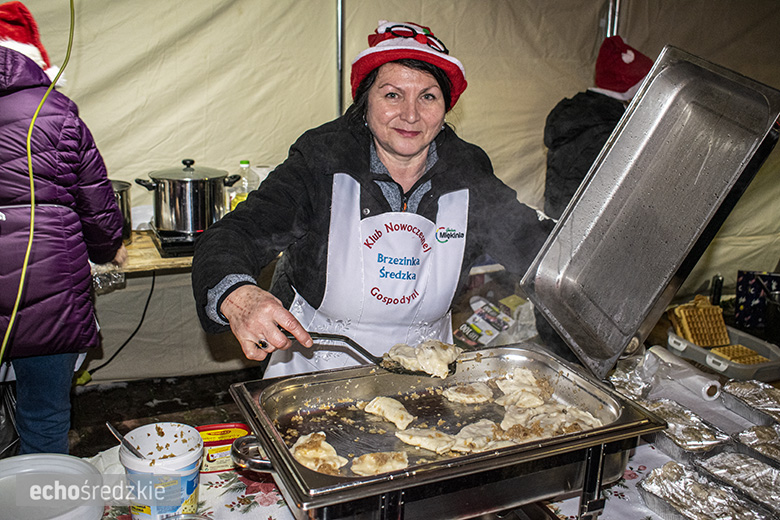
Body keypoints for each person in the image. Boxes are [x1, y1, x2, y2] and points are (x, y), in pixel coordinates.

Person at [192, 20, 553, 378]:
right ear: (366, 102)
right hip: (320, 362)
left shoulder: (468, 171)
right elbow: (235, 235)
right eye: (392, 94)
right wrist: (238, 295)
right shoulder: (321, 159)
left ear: (445, 109)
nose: (410, 115)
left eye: (428, 96)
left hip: (428, 366)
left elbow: (530, 242)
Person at [0, 1, 126, 454]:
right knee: (45, 414)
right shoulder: (56, 111)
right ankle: (43, 503)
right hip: (49, 288)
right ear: (33, 58)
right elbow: (97, 203)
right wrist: (108, 247)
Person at [534, 35, 653, 362]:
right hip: (588, 282)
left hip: (562, 271)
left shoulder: (580, 118)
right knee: (579, 372)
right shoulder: (610, 129)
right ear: (630, 87)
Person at [542, 35, 654, 220]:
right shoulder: (609, 127)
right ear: (630, 89)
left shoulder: (578, 110)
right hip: (582, 224)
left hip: (557, 218)